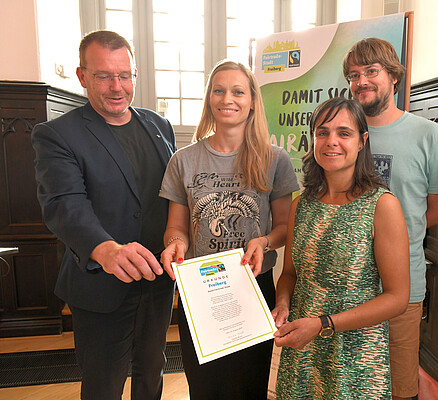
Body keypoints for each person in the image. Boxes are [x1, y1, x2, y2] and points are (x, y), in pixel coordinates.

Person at [31, 30, 177, 400]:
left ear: (134, 75)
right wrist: (106, 249)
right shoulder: (56, 134)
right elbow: (64, 204)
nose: (117, 86)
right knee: (104, 383)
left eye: (124, 75)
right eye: (104, 76)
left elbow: (174, 195)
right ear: (82, 77)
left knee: (152, 371)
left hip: (157, 280)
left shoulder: (158, 126)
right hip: (99, 283)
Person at [159, 60, 299, 399]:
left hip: (253, 286)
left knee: (249, 385)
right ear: (209, 99)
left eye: (238, 91)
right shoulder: (184, 159)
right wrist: (174, 244)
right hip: (200, 290)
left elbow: (284, 227)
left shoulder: (275, 159)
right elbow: (176, 228)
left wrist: (264, 240)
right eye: (218, 90)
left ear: (252, 100)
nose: (227, 99)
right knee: (206, 387)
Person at [272, 97, 410, 399]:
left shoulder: (382, 206)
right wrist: (283, 303)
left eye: (343, 133)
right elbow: (290, 275)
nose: (331, 141)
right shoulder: (301, 205)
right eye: (322, 132)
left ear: (362, 141)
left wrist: (323, 324)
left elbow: (397, 298)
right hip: (303, 349)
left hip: (356, 355)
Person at [343, 38, 438, 400]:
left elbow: (437, 210)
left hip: (402, 288)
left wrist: (393, 238)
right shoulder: (339, 134)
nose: (362, 81)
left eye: (371, 71)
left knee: (399, 388)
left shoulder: (427, 135)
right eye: (354, 74)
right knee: (345, 385)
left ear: (393, 76)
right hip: (344, 285)